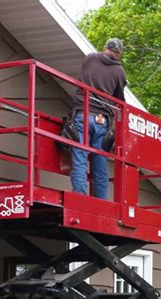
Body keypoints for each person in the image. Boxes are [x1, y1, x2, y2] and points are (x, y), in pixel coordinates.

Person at [70, 38, 127, 200]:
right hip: (102, 119)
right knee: (100, 161)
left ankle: (79, 196)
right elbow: (119, 98)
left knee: (80, 157)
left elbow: (83, 79)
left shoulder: (90, 58)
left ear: (105, 48)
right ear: (119, 54)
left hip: (83, 114)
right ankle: (101, 199)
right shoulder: (119, 71)